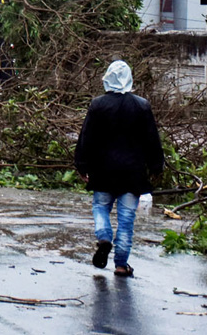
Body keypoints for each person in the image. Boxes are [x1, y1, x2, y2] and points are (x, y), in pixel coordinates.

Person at [74, 60, 163, 278]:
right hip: (132, 173)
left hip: (103, 170)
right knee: (126, 219)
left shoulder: (97, 105)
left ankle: (104, 237)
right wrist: (156, 166)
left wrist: (82, 165)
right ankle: (121, 265)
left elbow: (86, 137)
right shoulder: (142, 106)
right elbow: (152, 139)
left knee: (100, 207)